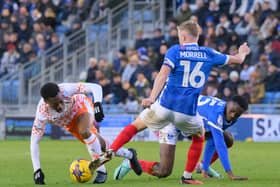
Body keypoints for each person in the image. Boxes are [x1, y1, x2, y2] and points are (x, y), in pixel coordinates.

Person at [92, 20, 250, 184]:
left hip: (164, 107)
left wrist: (152, 98)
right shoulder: (209, 54)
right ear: (197, 36)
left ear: (182, 36)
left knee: (137, 127)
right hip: (186, 114)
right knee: (199, 136)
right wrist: (242, 52)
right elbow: (238, 60)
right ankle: (187, 177)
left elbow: (162, 75)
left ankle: (111, 151)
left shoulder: (175, 51)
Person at [114, 95, 249, 182]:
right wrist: (230, 173)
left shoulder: (229, 113)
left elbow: (215, 140)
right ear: (228, 103)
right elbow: (218, 144)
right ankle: (131, 163)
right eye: (232, 111)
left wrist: (206, 167)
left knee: (228, 139)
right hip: (172, 121)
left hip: (190, 123)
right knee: (164, 171)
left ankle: (202, 167)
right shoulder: (217, 114)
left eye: (237, 114)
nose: (233, 115)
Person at [30, 82, 141, 185]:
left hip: (81, 106)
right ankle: (129, 154)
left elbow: (95, 87)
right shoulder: (42, 114)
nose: (60, 106)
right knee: (101, 145)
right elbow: (34, 142)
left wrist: (97, 104)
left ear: (60, 93)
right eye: (55, 104)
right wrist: (37, 170)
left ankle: (101, 171)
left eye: (61, 101)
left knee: (84, 131)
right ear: (46, 102)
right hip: (70, 124)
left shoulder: (66, 89)